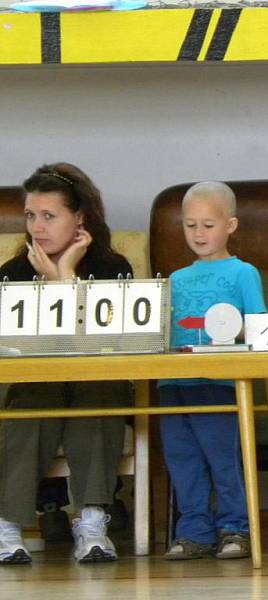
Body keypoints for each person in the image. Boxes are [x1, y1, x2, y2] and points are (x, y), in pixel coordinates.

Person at [0, 163, 134, 564]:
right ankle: (7, 525)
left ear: (80, 219)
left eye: (49, 216)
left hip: (95, 379)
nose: (37, 226)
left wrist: (65, 279)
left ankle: (91, 523)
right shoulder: (12, 274)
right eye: (30, 216)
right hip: (33, 383)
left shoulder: (114, 269)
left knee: (100, 393)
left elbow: (106, 342)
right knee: (34, 399)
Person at [158, 181, 266, 560]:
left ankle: (235, 527)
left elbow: (259, 324)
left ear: (230, 226)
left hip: (220, 381)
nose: (199, 234)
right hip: (174, 382)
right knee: (182, 459)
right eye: (190, 225)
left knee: (222, 458)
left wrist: (237, 331)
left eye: (208, 224)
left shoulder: (243, 273)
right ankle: (194, 531)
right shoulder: (174, 279)